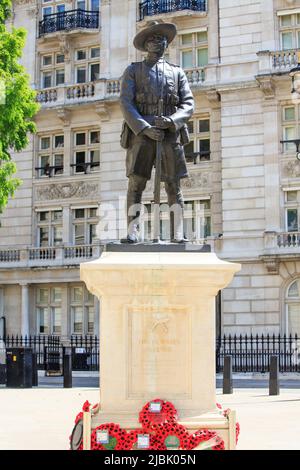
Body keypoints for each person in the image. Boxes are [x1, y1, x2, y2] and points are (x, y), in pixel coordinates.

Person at [120, 21, 194, 243]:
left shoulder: (177, 72)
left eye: (162, 39)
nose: (159, 42)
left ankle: (177, 233)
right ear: (145, 45)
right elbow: (126, 103)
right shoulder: (133, 71)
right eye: (153, 39)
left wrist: (172, 121)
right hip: (142, 134)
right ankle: (132, 231)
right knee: (136, 183)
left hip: (170, 133)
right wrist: (144, 128)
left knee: (173, 184)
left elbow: (188, 103)